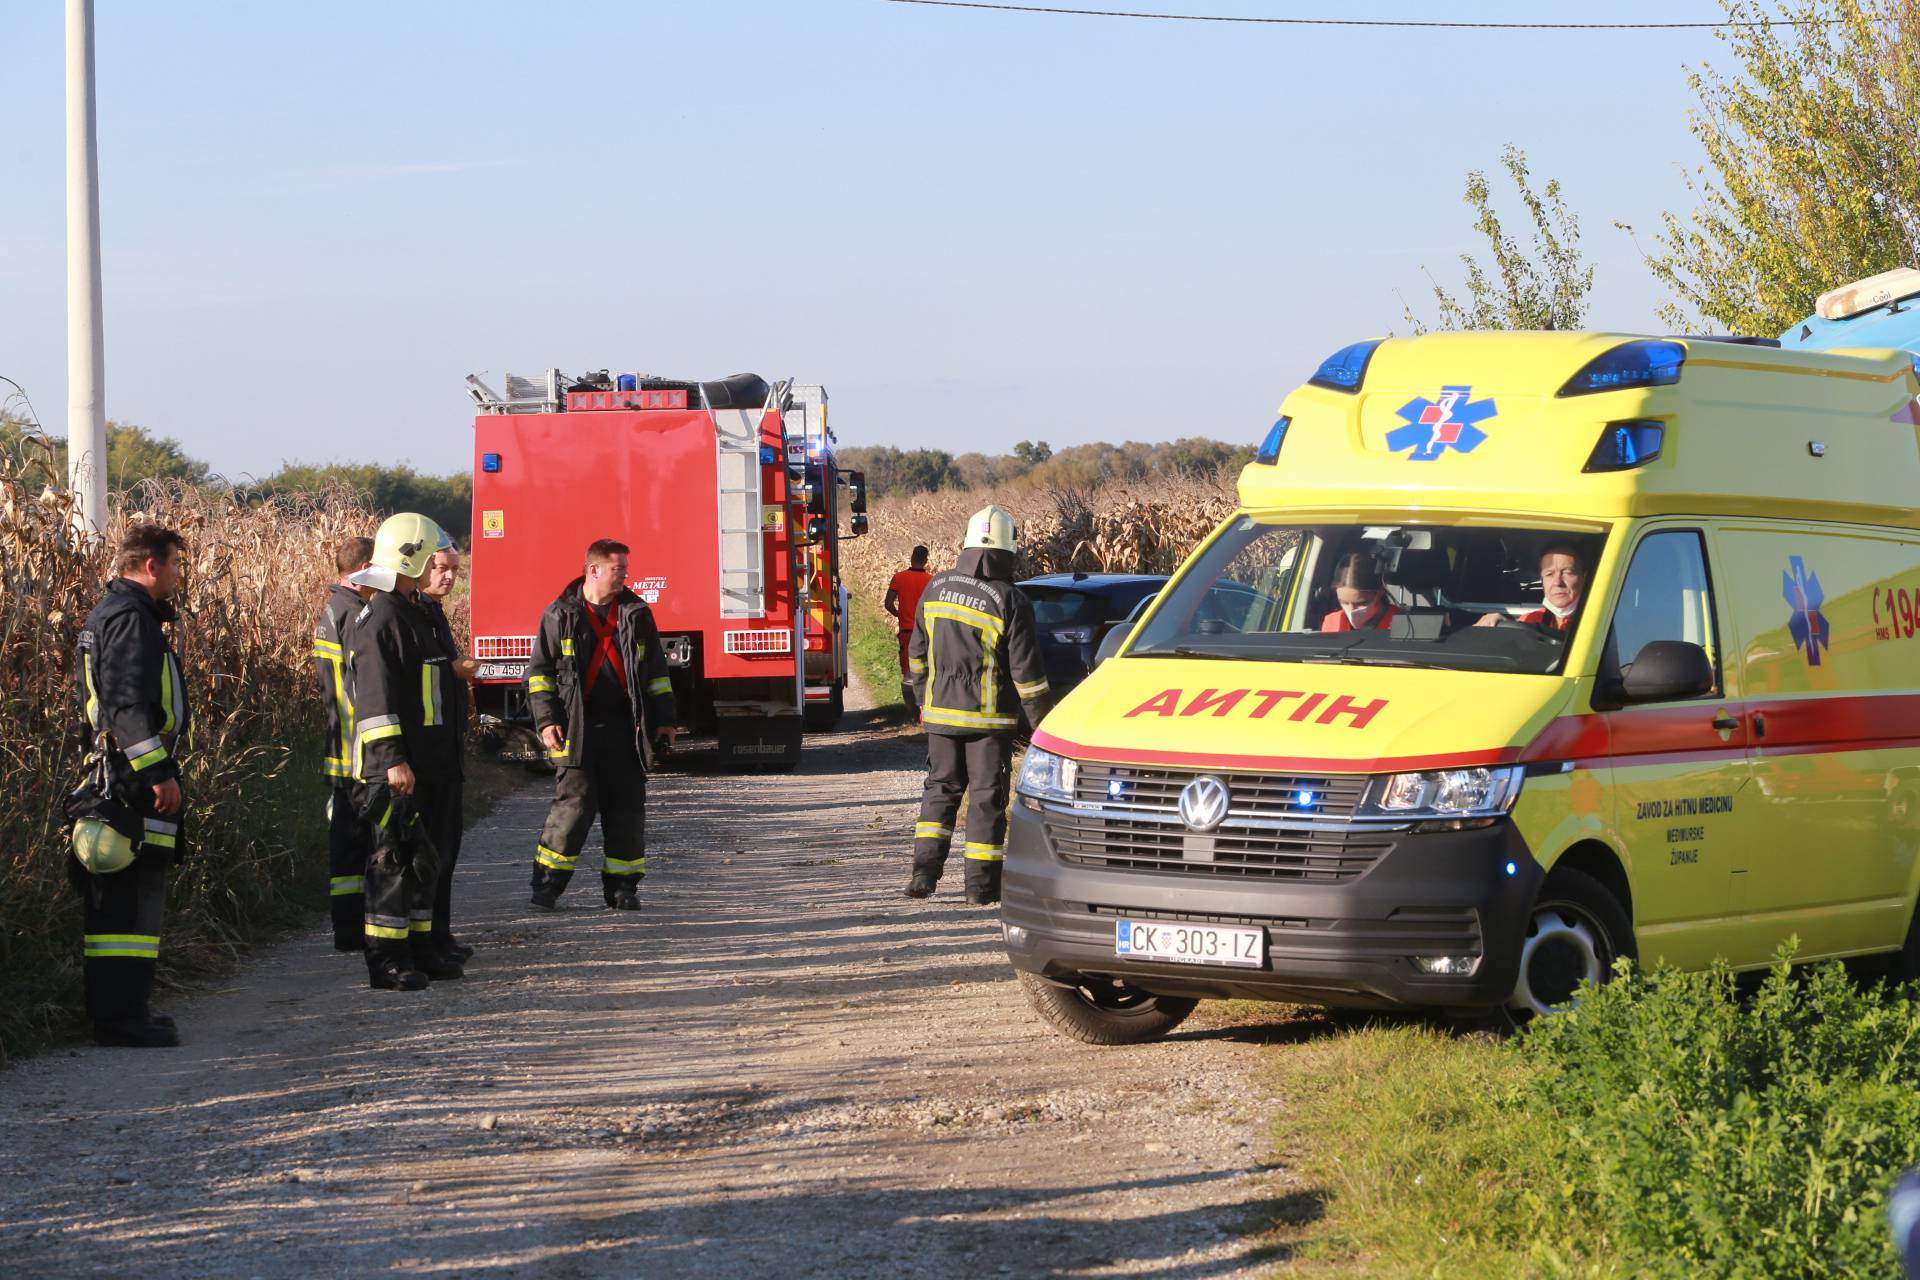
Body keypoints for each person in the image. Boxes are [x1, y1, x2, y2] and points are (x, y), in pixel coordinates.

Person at [71, 524, 192, 1047]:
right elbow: (123, 704)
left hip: (128, 774)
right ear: (150, 566)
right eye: (174, 564)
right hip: (128, 781)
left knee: (139, 892)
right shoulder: (127, 617)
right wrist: (157, 771)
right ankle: (119, 1018)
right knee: (123, 898)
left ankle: (130, 1008)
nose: (178, 575)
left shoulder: (124, 613)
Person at [905, 506, 1051, 906]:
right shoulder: (1010, 599)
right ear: (1007, 551)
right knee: (986, 801)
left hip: (940, 716)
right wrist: (1043, 729)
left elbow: (917, 655)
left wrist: (924, 701)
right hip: (988, 723)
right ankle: (980, 888)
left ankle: (923, 873)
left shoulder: (934, 588)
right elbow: (1028, 675)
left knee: (939, 792)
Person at [343, 512, 463, 990]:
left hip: (428, 763)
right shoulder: (384, 618)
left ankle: (421, 948)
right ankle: (387, 960)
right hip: (396, 768)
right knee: (391, 864)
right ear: (411, 557)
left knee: (422, 862)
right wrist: (394, 760)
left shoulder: (413, 611)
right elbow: (376, 700)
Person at [524, 539, 679, 911]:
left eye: (625, 569)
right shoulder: (559, 614)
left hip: (626, 730)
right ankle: (547, 886)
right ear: (593, 570)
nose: (625, 575)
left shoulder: (636, 613)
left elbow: (657, 673)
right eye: (618, 569)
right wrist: (547, 722)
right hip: (575, 730)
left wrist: (665, 721)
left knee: (626, 811)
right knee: (572, 808)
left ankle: (623, 887)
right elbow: (539, 676)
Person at [419, 536, 479, 960]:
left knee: (446, 852)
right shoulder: (407, 615)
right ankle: (426, 940)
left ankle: (440, 936)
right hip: (425, 754)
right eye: (441, 567)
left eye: (456, 570)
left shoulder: (432, 614)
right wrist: (451, 669)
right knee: (427, 854)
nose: (449, 576)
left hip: (446, 752)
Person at [313, 535, 374, 951]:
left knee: (346, 845)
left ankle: (347, 929)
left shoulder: (333, 609)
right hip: (359, 749)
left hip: (341, 746)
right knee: (356, 845)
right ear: (364, 570)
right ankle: (353, 931)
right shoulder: (354, 613)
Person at [1478, 544, 1586, 633]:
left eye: (1567, 573)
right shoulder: (1531, 619)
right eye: (1549, 574)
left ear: (1584, 578)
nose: (1557, 582)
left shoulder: (1597, 622)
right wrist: (1502, 624)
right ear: (1542, 581)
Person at [885, 545, 933, 714]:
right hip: (927, 633)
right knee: (927, 671)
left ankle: (912, 712)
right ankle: (924, 710)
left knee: (908, 673)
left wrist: (899, 614)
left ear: (911, 556)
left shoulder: (899, 578)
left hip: (907, 632)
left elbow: (888, 603)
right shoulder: (931, 581)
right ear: (926, 561)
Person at [1319, 551, 1400, 633]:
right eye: (1344, 602)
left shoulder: (1404, 623)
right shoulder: (1332, 623)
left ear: (1380, 592)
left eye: (1361, 603)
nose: (1351, 611)